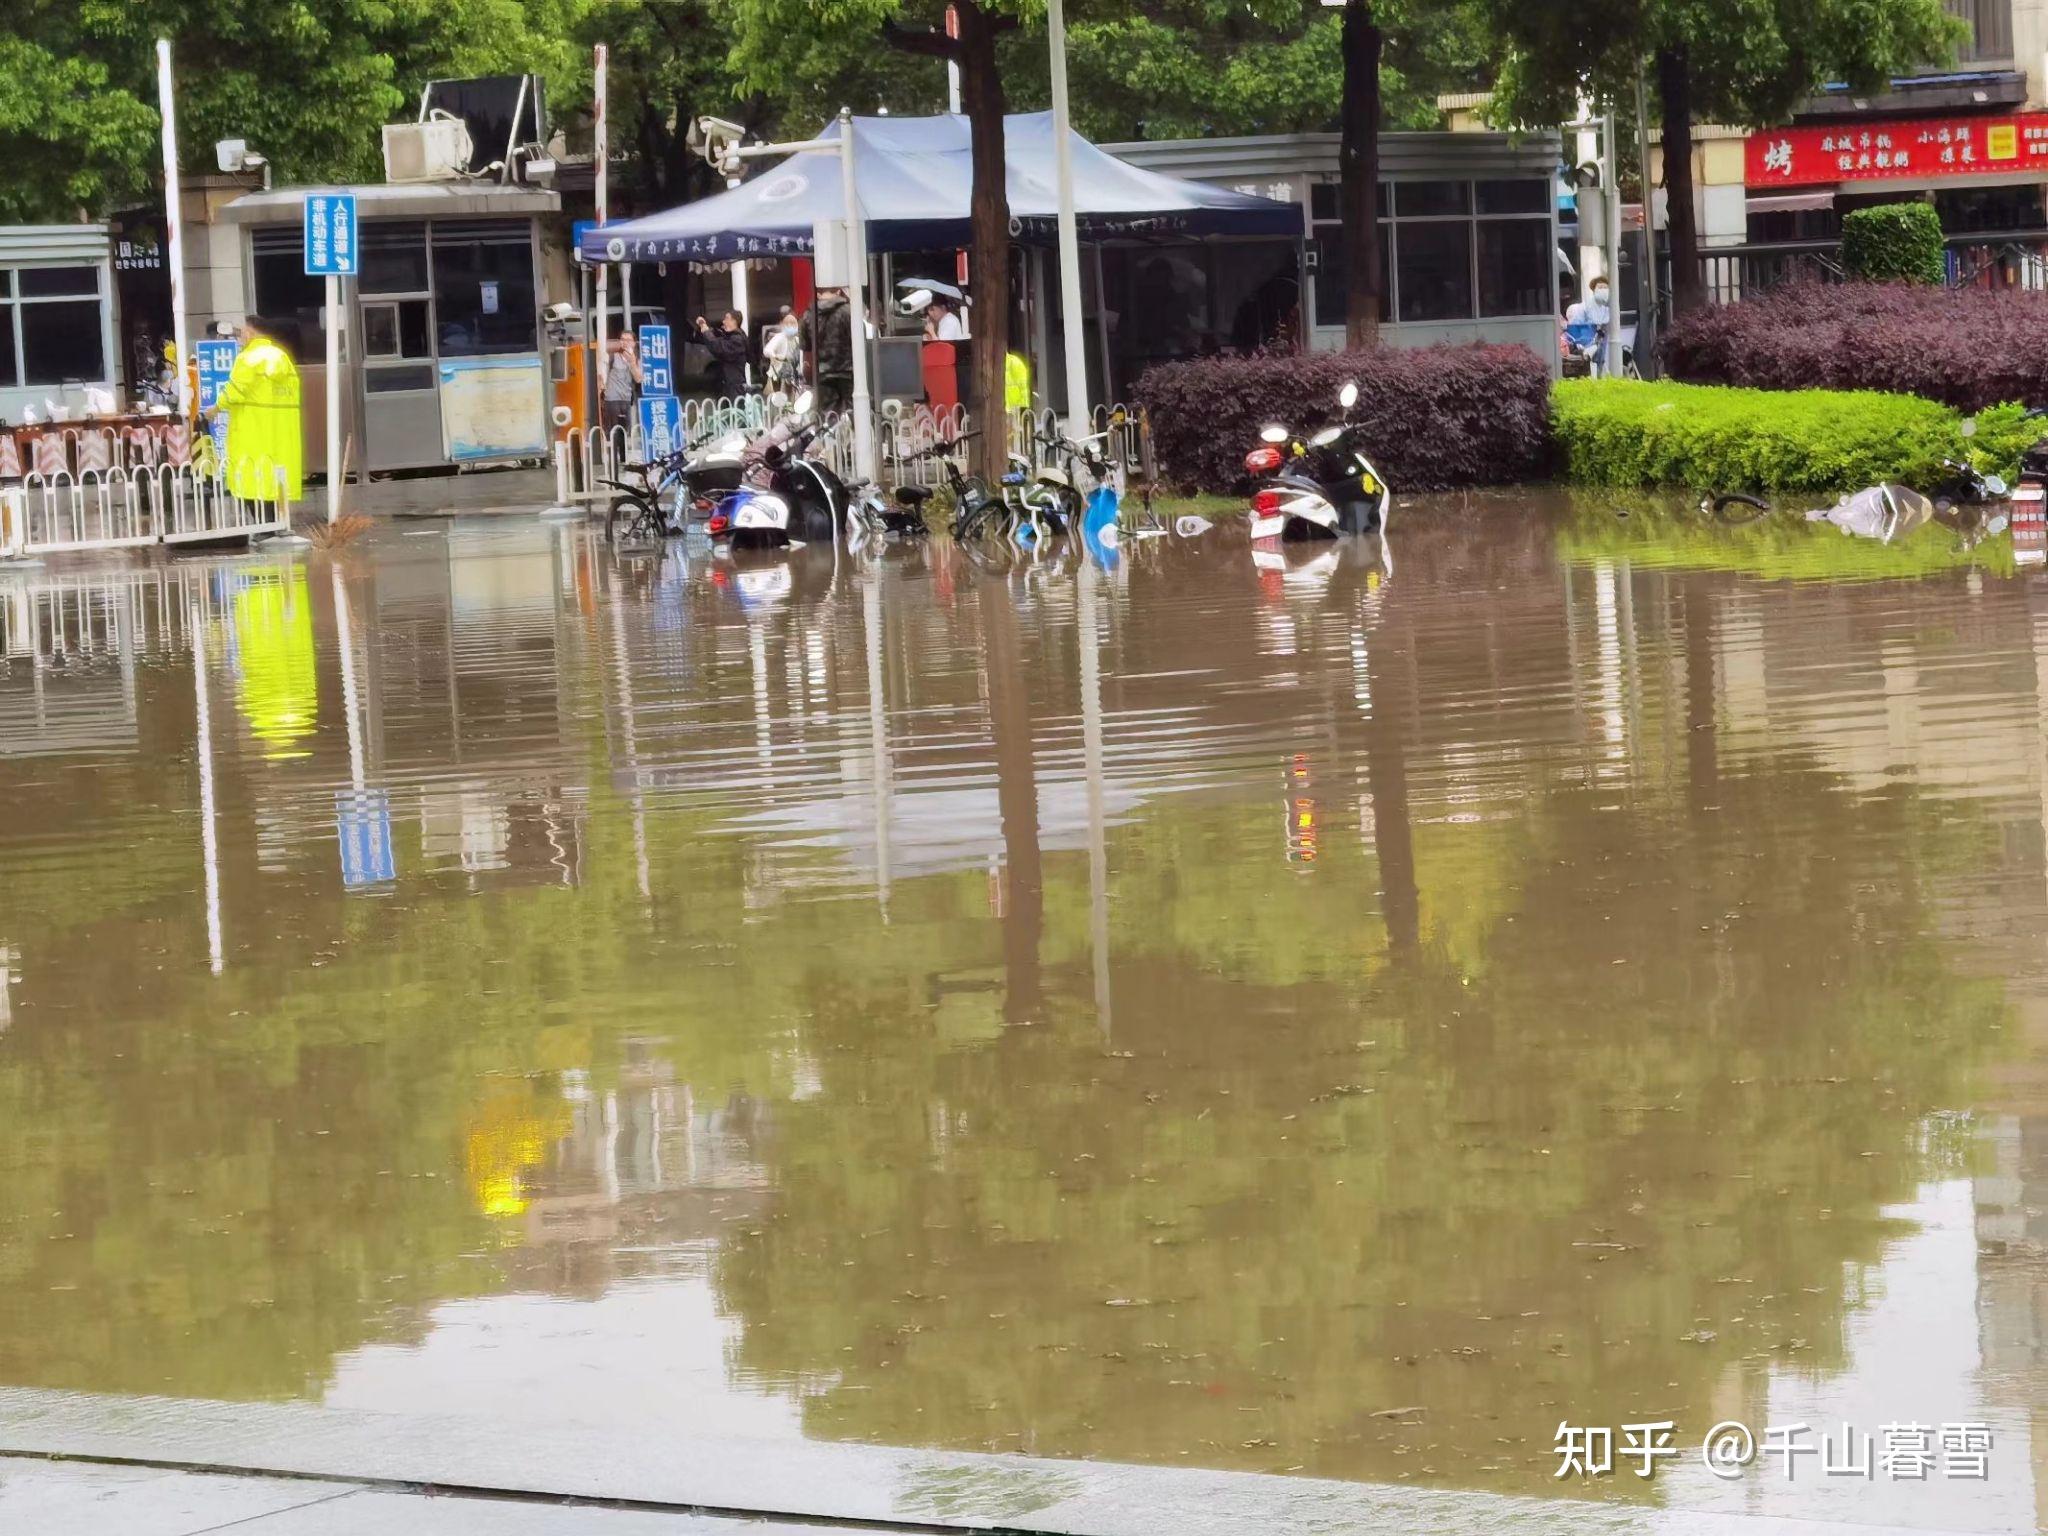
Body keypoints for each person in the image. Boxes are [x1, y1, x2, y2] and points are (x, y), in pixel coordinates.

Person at [212, 316, 302, 506]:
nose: (241, 336)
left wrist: (214, 408)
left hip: (251, 435)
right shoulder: (282, 358)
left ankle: (264, 529)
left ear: (251, 333)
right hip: (281, 438)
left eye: (243, 331)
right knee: (275, 487)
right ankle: (277, 526)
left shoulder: (248, 359)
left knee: (251, 486)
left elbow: (234, 392)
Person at [800, 288, 854, 413]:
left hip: (823, 372)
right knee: (852, 412)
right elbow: (858, 339)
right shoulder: (848, 311)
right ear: (839, 292)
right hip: (848, 371)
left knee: (828, 413)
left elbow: (805, 346)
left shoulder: (808, 315)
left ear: (818, 294)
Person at [696, 310, 752, 397]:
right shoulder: (730, 336)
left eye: (726, 318)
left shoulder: (737, 340)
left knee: (736, 409)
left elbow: (718, 347)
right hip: (726, 384)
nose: (723, 321)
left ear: (734, 321)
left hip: (734, 386)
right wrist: (703, 325)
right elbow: (717, 334)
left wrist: (706, 332)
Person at [601, 323, 641, 439]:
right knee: (613, 431)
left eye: (628, 340)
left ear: (634, 343)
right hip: (612, 398)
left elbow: (638, 379)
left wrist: (632, 362)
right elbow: (602, 348)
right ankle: (613, 454)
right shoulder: (613, 356)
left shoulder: (637, 359)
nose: (625, 342)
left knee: (624, 431)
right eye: (622, 339)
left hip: (626, 399)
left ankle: (622, 456)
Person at [762, 310, 803, 403]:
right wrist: (776, 356)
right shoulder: (779, 337)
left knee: (793, 400)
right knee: (780, 401)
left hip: (793, 375)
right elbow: (767, 350)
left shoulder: (797, 340)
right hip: (779, 375)